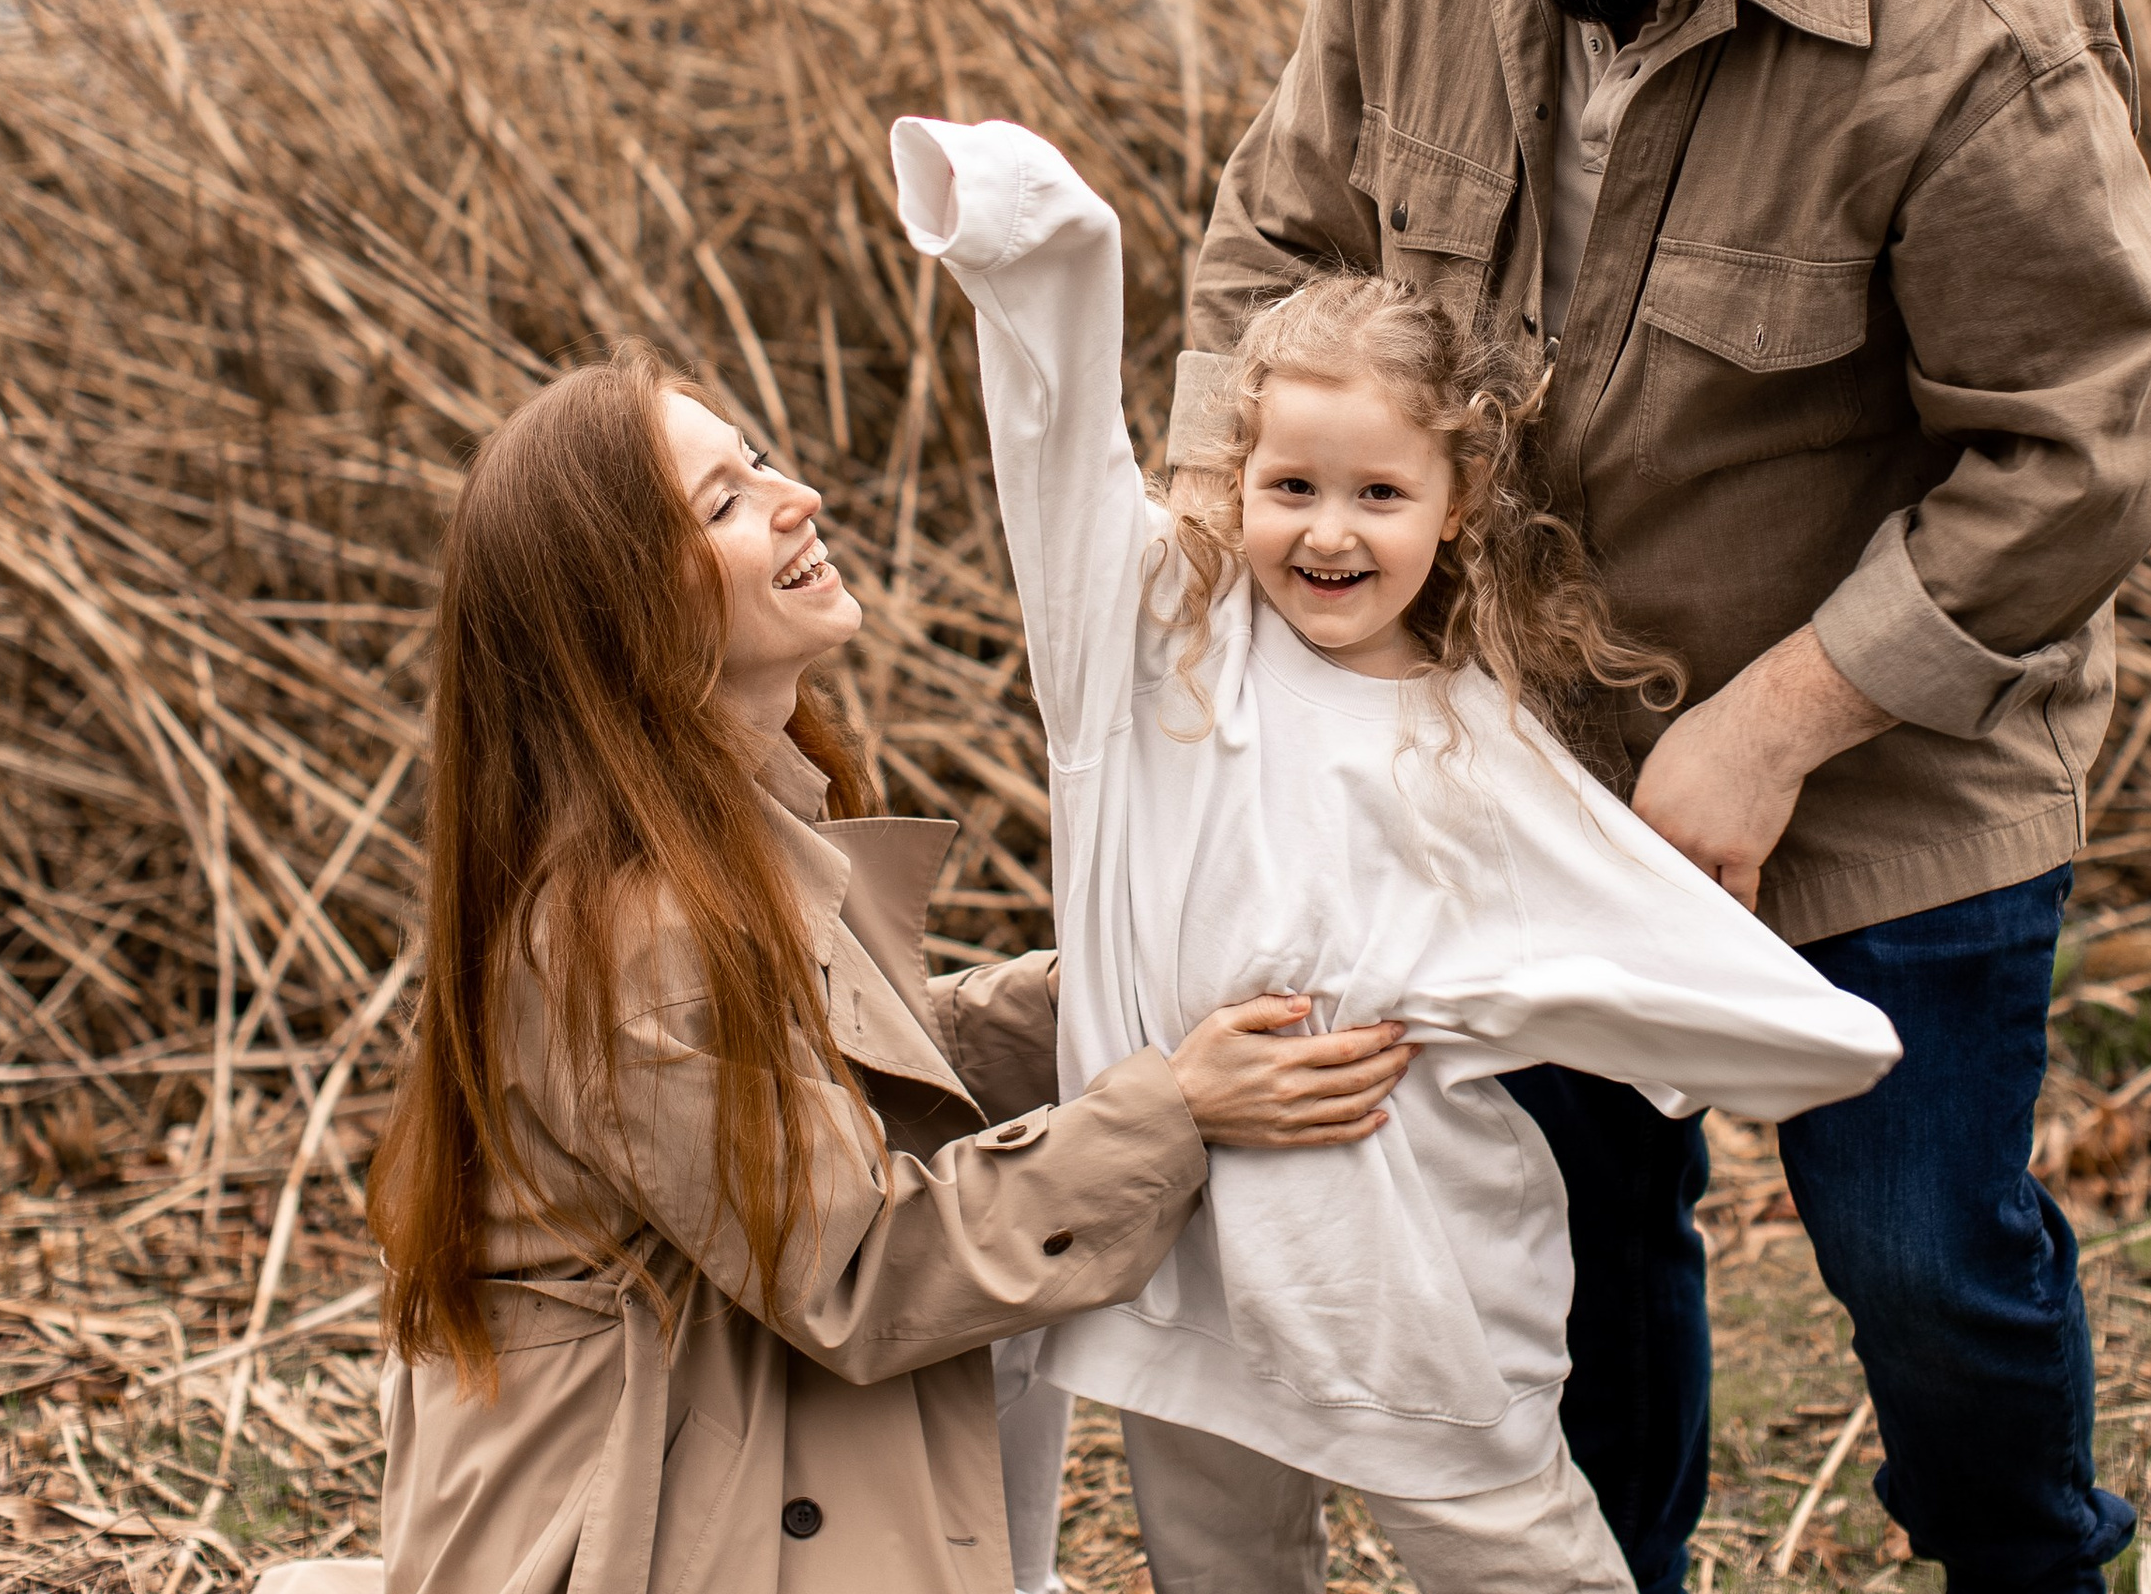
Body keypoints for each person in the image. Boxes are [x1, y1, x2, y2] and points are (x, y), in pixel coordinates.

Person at [1173, 0, 2151, 1594]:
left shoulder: (1975, 16)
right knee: (1560, 1253)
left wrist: (1780, 722)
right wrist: (1210, 540)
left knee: (1925, 1269)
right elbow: (1271, 245)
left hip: (1892, 773)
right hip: (1508, 755)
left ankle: (2029, 1568)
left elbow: (2069, 464)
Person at [892, 113, 1900, 1594]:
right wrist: (1033, 235)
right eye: (1291, 487)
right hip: (1183, 1275)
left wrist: (1801, 1040)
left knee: (1527, 1564)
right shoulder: (1152, 656)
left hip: (1396, 1284)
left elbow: (1637, 930)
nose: (1328, 531)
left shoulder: (1471, 747)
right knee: (1224, 1566)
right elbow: (1054, 446)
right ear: (1234, 482)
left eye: (1378, 495)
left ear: (1457, 506)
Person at [349, 345, 1415, 1594]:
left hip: (717, 1456)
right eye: (723, 503)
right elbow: (864, 1270)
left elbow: (843, 1066)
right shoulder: (632, 939)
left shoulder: (714, 826)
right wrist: (1174, 1111)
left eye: (753, 458)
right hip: (636, 1533)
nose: (792, 493)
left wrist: (1122, 985)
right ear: (621, 614)